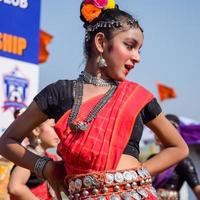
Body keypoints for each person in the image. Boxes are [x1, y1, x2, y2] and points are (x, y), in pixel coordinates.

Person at [0, 1, 189, 199]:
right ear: (100, 43)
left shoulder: (137, 96)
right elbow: (7, 142)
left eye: (139, 50)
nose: (137, 57)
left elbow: (179, 147)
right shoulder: (59, 93)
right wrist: (46, 167)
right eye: (130, 46)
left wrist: (134, 176)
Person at [7, 118, 59, 200]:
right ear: (36, 130)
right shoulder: (27, 157)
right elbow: (15, 188)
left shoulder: (51, 157)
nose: (58, 131)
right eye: (53, 127)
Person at [151, 114, 200, 200]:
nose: (161, 133)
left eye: (167, 130)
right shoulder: (151, 158)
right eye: (158, 130)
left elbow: (197, 189)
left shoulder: (182, 161)